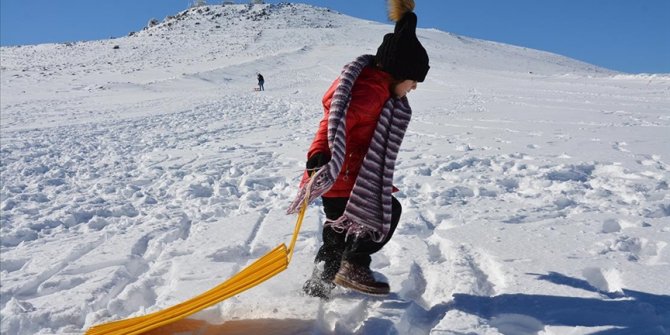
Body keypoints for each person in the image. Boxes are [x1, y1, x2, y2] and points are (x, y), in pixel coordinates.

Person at [286, 0, 429, 298]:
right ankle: (353, 264)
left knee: (337, 234)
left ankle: (320, 283)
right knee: (384, 214)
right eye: (413, 81)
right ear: (398, 72)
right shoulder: (368, 94)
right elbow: (331, 125)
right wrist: (318, 155)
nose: (413, 88)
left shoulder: (379, 92)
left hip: (348, 176)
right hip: (342, 174)